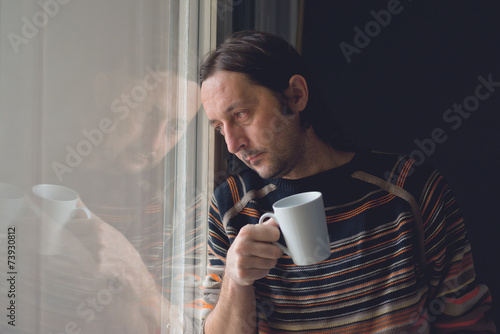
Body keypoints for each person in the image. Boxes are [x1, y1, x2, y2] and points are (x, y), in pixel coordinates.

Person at [199, 30, 496, 333]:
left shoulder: (412, 188)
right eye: (220, 128)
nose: (233, 144)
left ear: (296, 96)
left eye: (241, 114)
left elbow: (465, 320)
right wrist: (237, 279)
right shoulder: (231, 207)